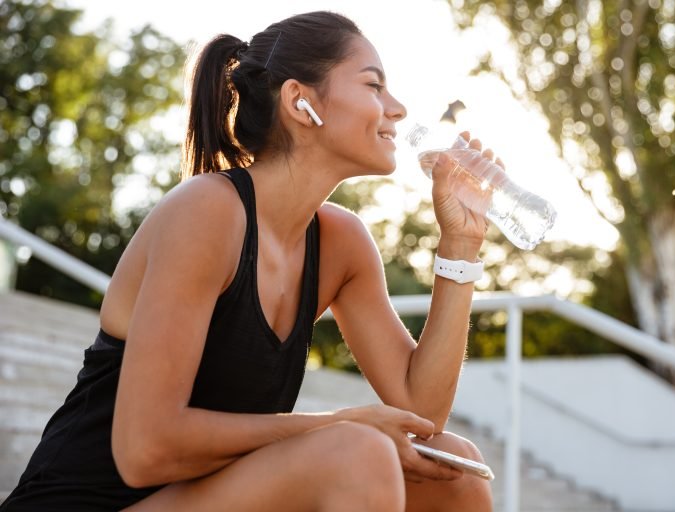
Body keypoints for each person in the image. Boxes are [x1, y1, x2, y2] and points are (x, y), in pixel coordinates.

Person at [1, 11, 500, 511]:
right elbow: (144, 451)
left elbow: (422, 413)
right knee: (357, 453)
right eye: (374, 86)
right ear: (301, 101)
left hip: (205, 496)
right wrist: (336, 425)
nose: (398, 109)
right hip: (81, 503)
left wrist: (460, 245)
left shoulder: (341, 243)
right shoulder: (207, 212)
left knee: (455, 468)